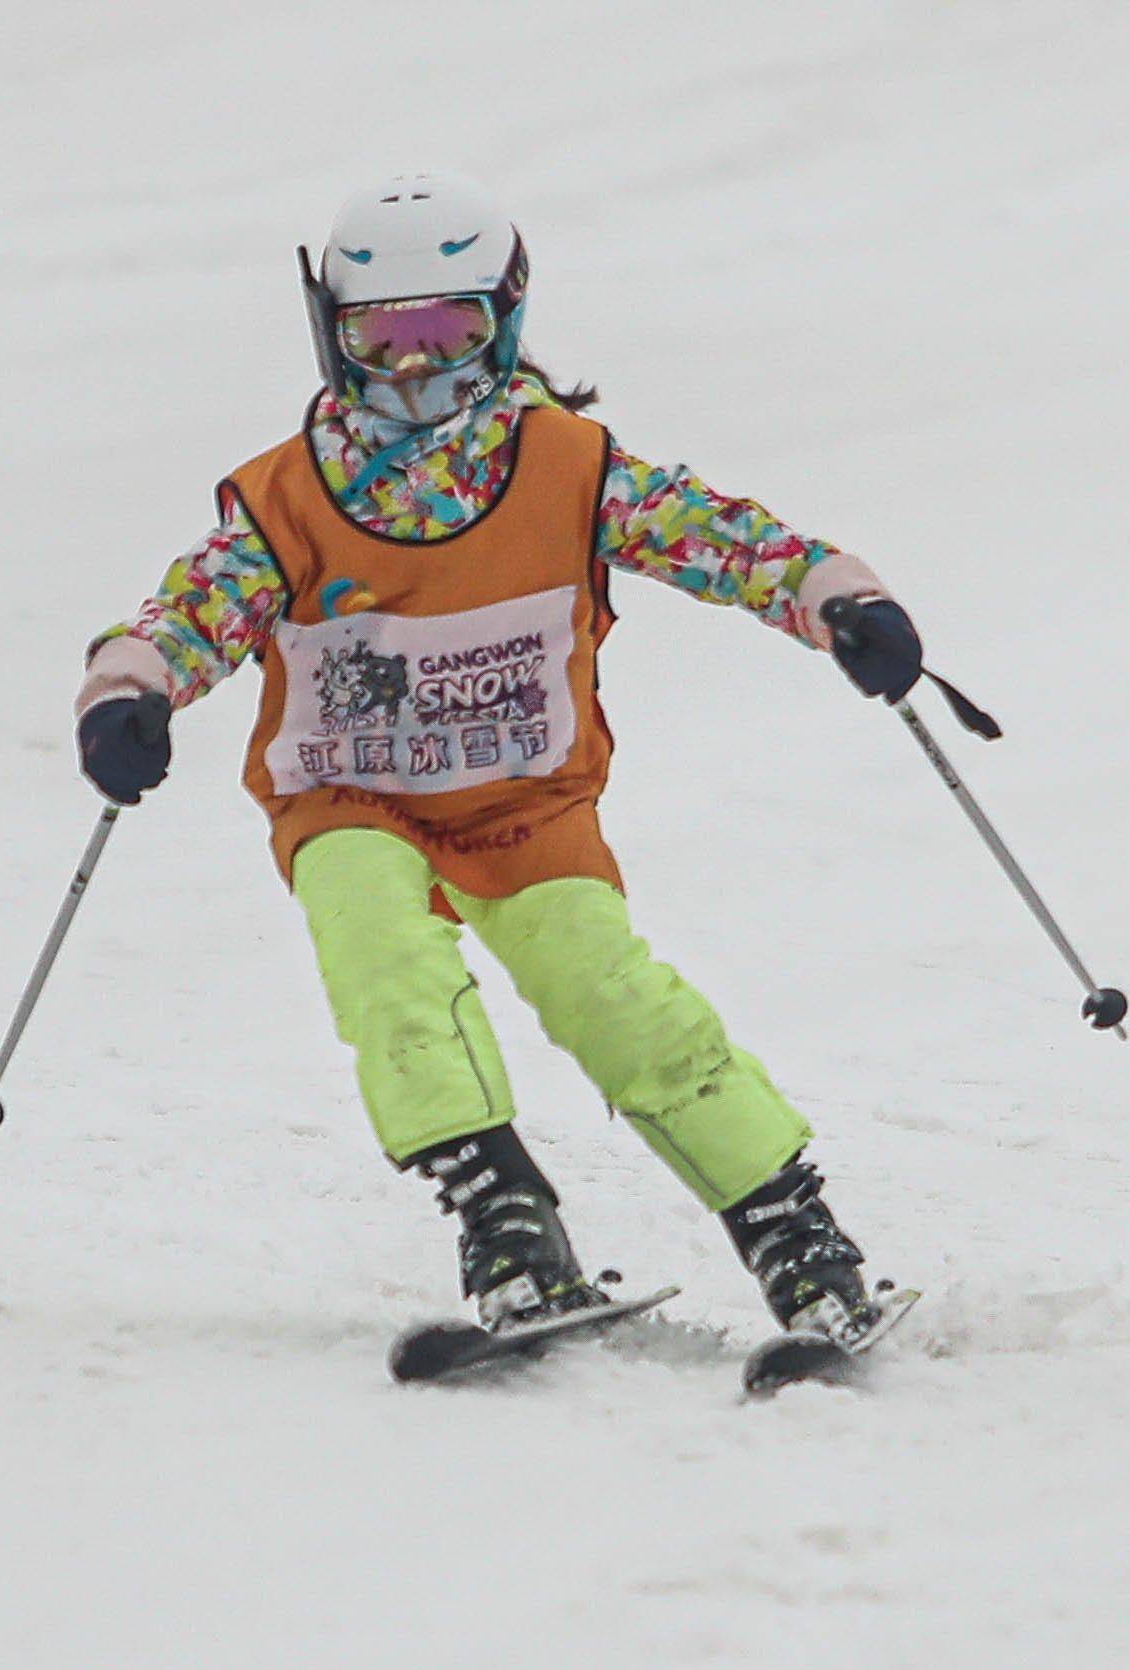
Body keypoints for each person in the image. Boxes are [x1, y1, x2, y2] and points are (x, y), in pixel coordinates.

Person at [72, 172, 924, 1343]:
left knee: (608, 993)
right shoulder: (285, 496)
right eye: (384, 333)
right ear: (335, 331)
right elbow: (193, 608)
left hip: (522, 798)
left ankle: (795, 1237)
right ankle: (504, 1220)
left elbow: (722, 538)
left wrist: (837, 602)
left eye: (446, 330)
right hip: (352, 793)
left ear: (503, 321)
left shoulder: (568, 467)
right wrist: (132, 691)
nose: (413, 364)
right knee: (385, 967)